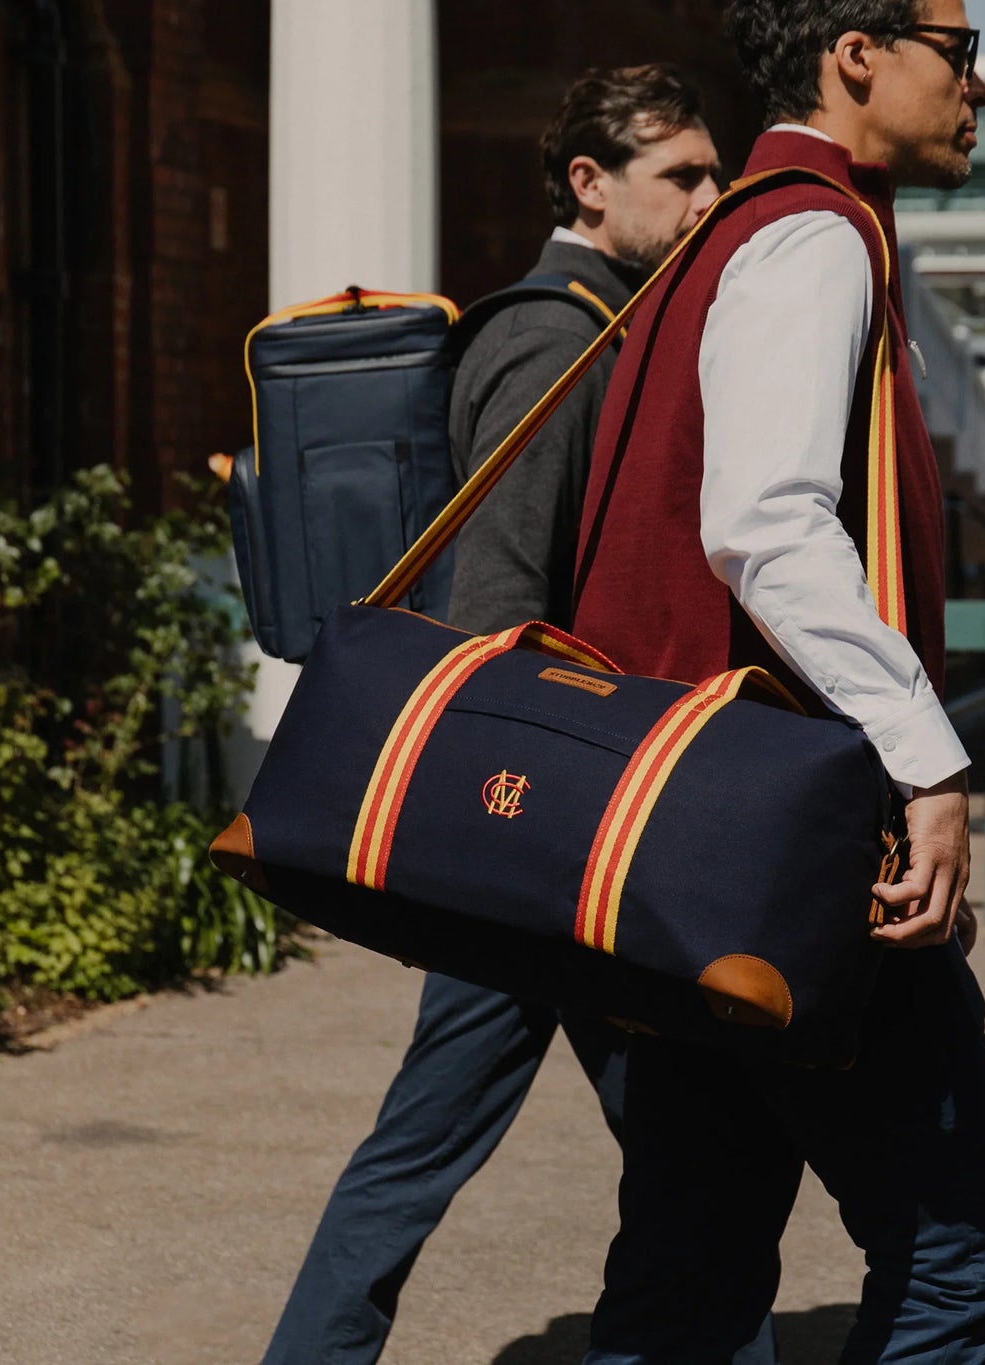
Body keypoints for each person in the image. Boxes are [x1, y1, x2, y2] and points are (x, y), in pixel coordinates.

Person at [568, 2, 985, 1359]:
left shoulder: (725, 229)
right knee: (959, 1252)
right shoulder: (811, 229)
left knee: (690, 1270)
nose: (980, 87)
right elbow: (765, 524)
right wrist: (929, 756)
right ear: (857, 55)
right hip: (782, 840)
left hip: (673, 831)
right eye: (962, 51)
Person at [260, 66, 736, 1365]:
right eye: (682, 175)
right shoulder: (557, 335)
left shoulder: (606, 319)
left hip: (551, 815)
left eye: (714, 172)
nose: (710, 195)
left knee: (693, 1146)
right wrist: (512, 810)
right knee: (435, 1141)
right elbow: (504, 598)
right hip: (531, 822)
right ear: (590, 183)